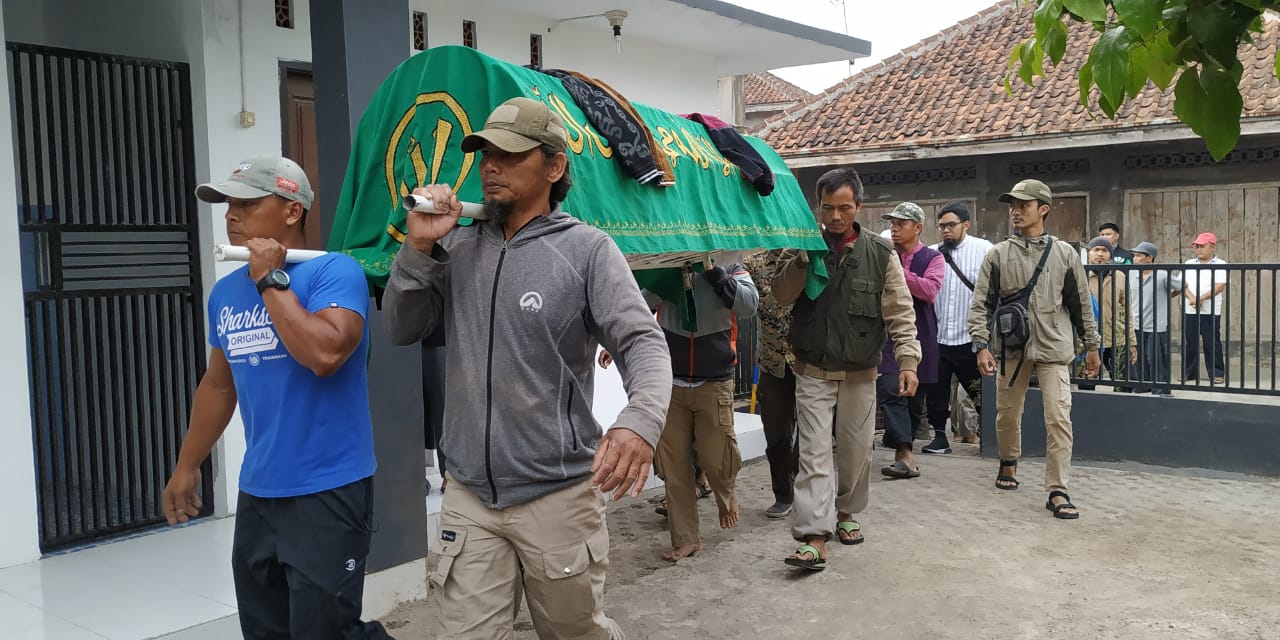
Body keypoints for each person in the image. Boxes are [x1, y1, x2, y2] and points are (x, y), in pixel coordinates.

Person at [383, 97, 672, 639]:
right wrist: (418, 249)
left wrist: (640, 421)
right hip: (469, 495)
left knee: (574, 632)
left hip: (557, 493)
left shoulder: (587, 251)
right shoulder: (459, 242)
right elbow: (402, 328)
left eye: (510, 155)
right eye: (485, 153)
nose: (491, 166)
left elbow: (644, 344)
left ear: (554, 166)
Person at [162, 156, 394, 639]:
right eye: (228, 203)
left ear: (292, 212)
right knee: (265, 629)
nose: (231, 215)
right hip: (260, 491)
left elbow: (324, 353)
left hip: (327, 489)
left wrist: (270, 280)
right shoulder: (226, 292)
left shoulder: (335, 273)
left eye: (247, 203)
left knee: (327, 630)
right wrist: (187, 465)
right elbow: (219, 384)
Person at [771, 168, 920, 571]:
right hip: (812, 369)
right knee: (814, 455)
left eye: (844, 208)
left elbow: (900, 312)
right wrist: (803, 258)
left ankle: (847, 513)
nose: (835, 217)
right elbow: (782, 295)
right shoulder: (803, 246)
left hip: (860, 372)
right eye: (827, 208)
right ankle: (813, 537)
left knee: (855, 453)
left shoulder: (880, 253)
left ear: (859, 207)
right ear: (818, 206)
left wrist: (908, 360)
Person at [969, 179, 1101, 520]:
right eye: (1012, 205)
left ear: (1043, 208)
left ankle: (1058, 489)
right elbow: (981, 303)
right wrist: (981, 345)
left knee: (1059, 417)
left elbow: (1080, 303)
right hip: (1012, 347)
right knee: (1007, 413)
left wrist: (1092, 346)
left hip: (1055, 346)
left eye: (1023, 205)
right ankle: (1009, 459)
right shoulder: (998, 254)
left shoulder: (1065, 254)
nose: (1015, 211)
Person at [644, 262, 756, 561]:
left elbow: (748, 305)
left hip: (714, 381)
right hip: (671, 381)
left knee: (717, 456)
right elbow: (639, 303)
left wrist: (715, 274)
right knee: (674, 465)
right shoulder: (668, 267)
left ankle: (726, 494)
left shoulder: (731, 266)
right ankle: (686, 538)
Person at [877, 202, 942, 479]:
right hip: (889, 336)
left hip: (922, 335)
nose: (894, 229)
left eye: (901, 224)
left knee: (915, 400)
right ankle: (904, 453)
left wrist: (895, 270)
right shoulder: (880, 253)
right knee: (892, 387)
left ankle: (904, 448)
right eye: (892, 223)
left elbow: (929, 290)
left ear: (917, 227)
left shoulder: (932, 258)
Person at [926, 201, 993, 451]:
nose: (946, 230)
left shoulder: (985, 250)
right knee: (937, 392)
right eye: (942, 226)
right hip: (939, 336)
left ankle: (989, 438)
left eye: (951, 225)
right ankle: (939, 437)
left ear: (966, 224)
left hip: (970, 338)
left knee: (978, 392)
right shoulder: (932, 253)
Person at [743, 249, 800, 518]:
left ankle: (802, 484)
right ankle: (783, 493)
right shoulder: (754, 263)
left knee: (813, 434)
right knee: (776, 434)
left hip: (808, 362)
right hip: (772, 363)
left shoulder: (810, 258)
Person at [1077, 237, 1137, 389]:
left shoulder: (1120, 277)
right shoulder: (1080, 276)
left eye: (1104, 250)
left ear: (1110, 254)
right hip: (1087, 340)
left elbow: (1127, 310)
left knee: (1123, 384)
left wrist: (1131, 341)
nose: (1100, 254)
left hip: (1115, 338)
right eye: (1096, 250)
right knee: (1086, 384)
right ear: (1089, 253)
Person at [1127, 241, 1181, 395]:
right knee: (1139, 357)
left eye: (1138, 256)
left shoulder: (1162, 274)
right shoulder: (1132, 273)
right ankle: (1142, 385)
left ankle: (1161, 388)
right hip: (1137, 322)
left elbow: (1182, 285)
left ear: (1149, 258)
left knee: (1157, 358)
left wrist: (1168, 296)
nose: (1134, 259)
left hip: (1157, 323)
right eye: (1134, 256)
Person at [1181, 232, 1228, 385]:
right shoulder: (1189, 263)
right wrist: (1191, 298)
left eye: (1202, 246)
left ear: (1212, 247)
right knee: (1190, 342)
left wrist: (1200, 298)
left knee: (1211, 342)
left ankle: (1217, 372)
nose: (1199, 249)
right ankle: (1189, 372)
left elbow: (1220, 286)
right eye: (1197, 246)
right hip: (1190, 309)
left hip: (1210, 310)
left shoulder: (1221, 264)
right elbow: (1182, 284)